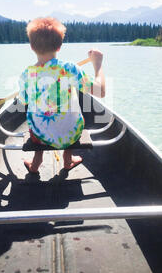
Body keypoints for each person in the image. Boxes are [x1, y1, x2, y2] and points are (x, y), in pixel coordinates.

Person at [19, 17, 106, 173]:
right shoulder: (70, 69)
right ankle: (68, 160)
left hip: (39, 135)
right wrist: (97, 65)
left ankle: (35, 164)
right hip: (71, 133)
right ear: (59, 47)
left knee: (36, 116)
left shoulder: (27, 74)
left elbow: (24, 101)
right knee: (68, 116)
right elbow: (100, 92)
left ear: (32, 47)